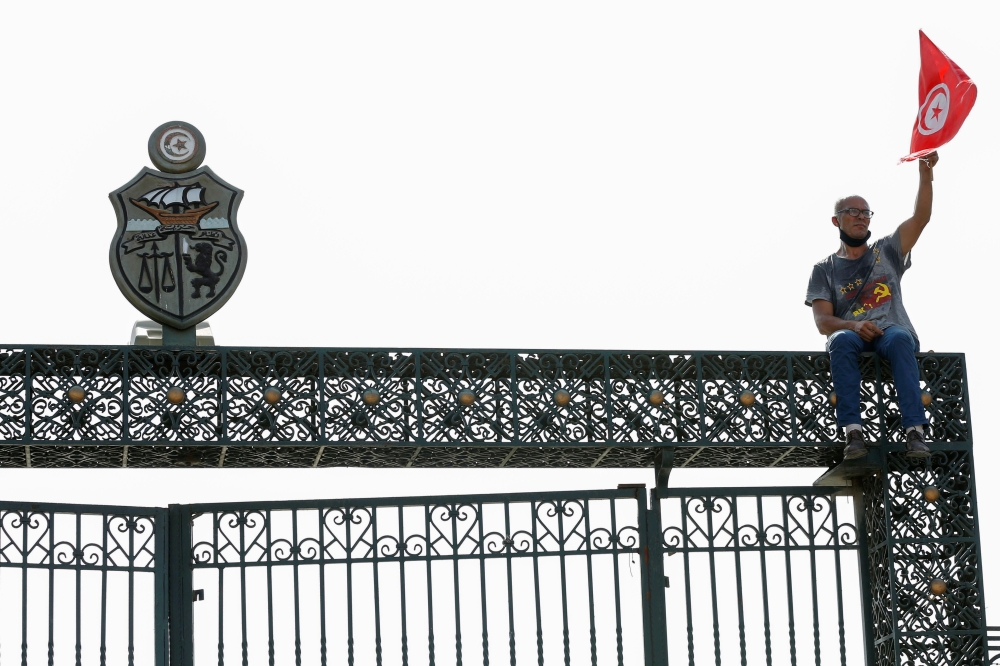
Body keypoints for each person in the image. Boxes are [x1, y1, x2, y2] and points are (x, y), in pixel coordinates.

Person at [805, 151, 939, 460]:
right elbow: (823, 322)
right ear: (836, 220)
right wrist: (852, 325)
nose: (862, 216)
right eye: (853, 211)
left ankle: (915, 432)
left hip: (891, 330)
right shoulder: (824, 269)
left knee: (902, 338)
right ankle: (853, 432)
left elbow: (921, 218)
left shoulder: (887, 251)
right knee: (838, 340)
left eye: (866, 213)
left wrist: (926, 174)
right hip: (852, 334)